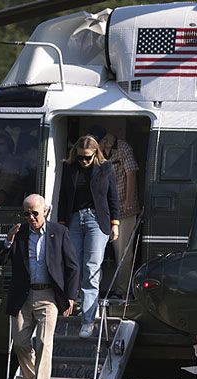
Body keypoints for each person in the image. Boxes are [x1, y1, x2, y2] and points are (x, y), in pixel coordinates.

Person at [0, 194, 80, 379]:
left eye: (35, 213)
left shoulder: (59, 233)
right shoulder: (19, 233)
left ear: (45, 211)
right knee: (21, 343)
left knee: (44, 343)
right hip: (23, 296)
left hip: (48, 296)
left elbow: (72, 266)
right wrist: (8, 241)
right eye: (27, 213)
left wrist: (70, 297)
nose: (31, 217)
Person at [58, 135, 120, 338]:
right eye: (80, 158)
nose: (83, 161)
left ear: (95, 153)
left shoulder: (106, 168)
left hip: (96, 220)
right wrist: (61, 223)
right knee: (73, 265)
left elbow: (113, 197)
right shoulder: (70, 167)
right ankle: (72, 307)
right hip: (74, 219)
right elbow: (63, 196)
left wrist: (115, 224)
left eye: (87, 157)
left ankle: (88, 320)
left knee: (91, 267)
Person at [89, 125, 141, 298]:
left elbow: (131, 173)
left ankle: (122, 293)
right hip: (104, 211)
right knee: (96, 253)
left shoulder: (123, 147)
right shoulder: (95, 154)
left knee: (123, 254)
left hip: (124, 211)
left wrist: (128, 202)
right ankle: (93, 293)